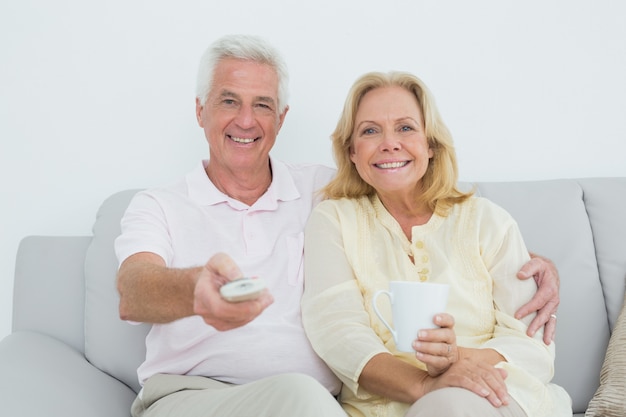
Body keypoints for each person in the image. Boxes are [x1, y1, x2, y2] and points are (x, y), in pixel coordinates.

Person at [114, 34, 561, 417]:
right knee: (303, 400)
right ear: (200, 110)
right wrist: (196, 290)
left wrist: (531, 262)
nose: (246, 120)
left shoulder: (324, 192)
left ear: (281, 118)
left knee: (308, 400)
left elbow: (419, 205)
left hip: (313, 402)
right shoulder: (160, 204)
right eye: (229, 100)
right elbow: (133, 289)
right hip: (195, 396)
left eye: (263, 105)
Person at [301, 71, 572, 417]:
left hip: (494, 396)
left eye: (406, 127)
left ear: (430, 144)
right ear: (352, 152)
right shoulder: (333, 220)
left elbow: (532, 344)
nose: (389, 143)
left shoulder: (488, 221)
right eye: (370, 131)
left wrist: (457, 361)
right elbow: (337, 332)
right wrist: (424, 382)